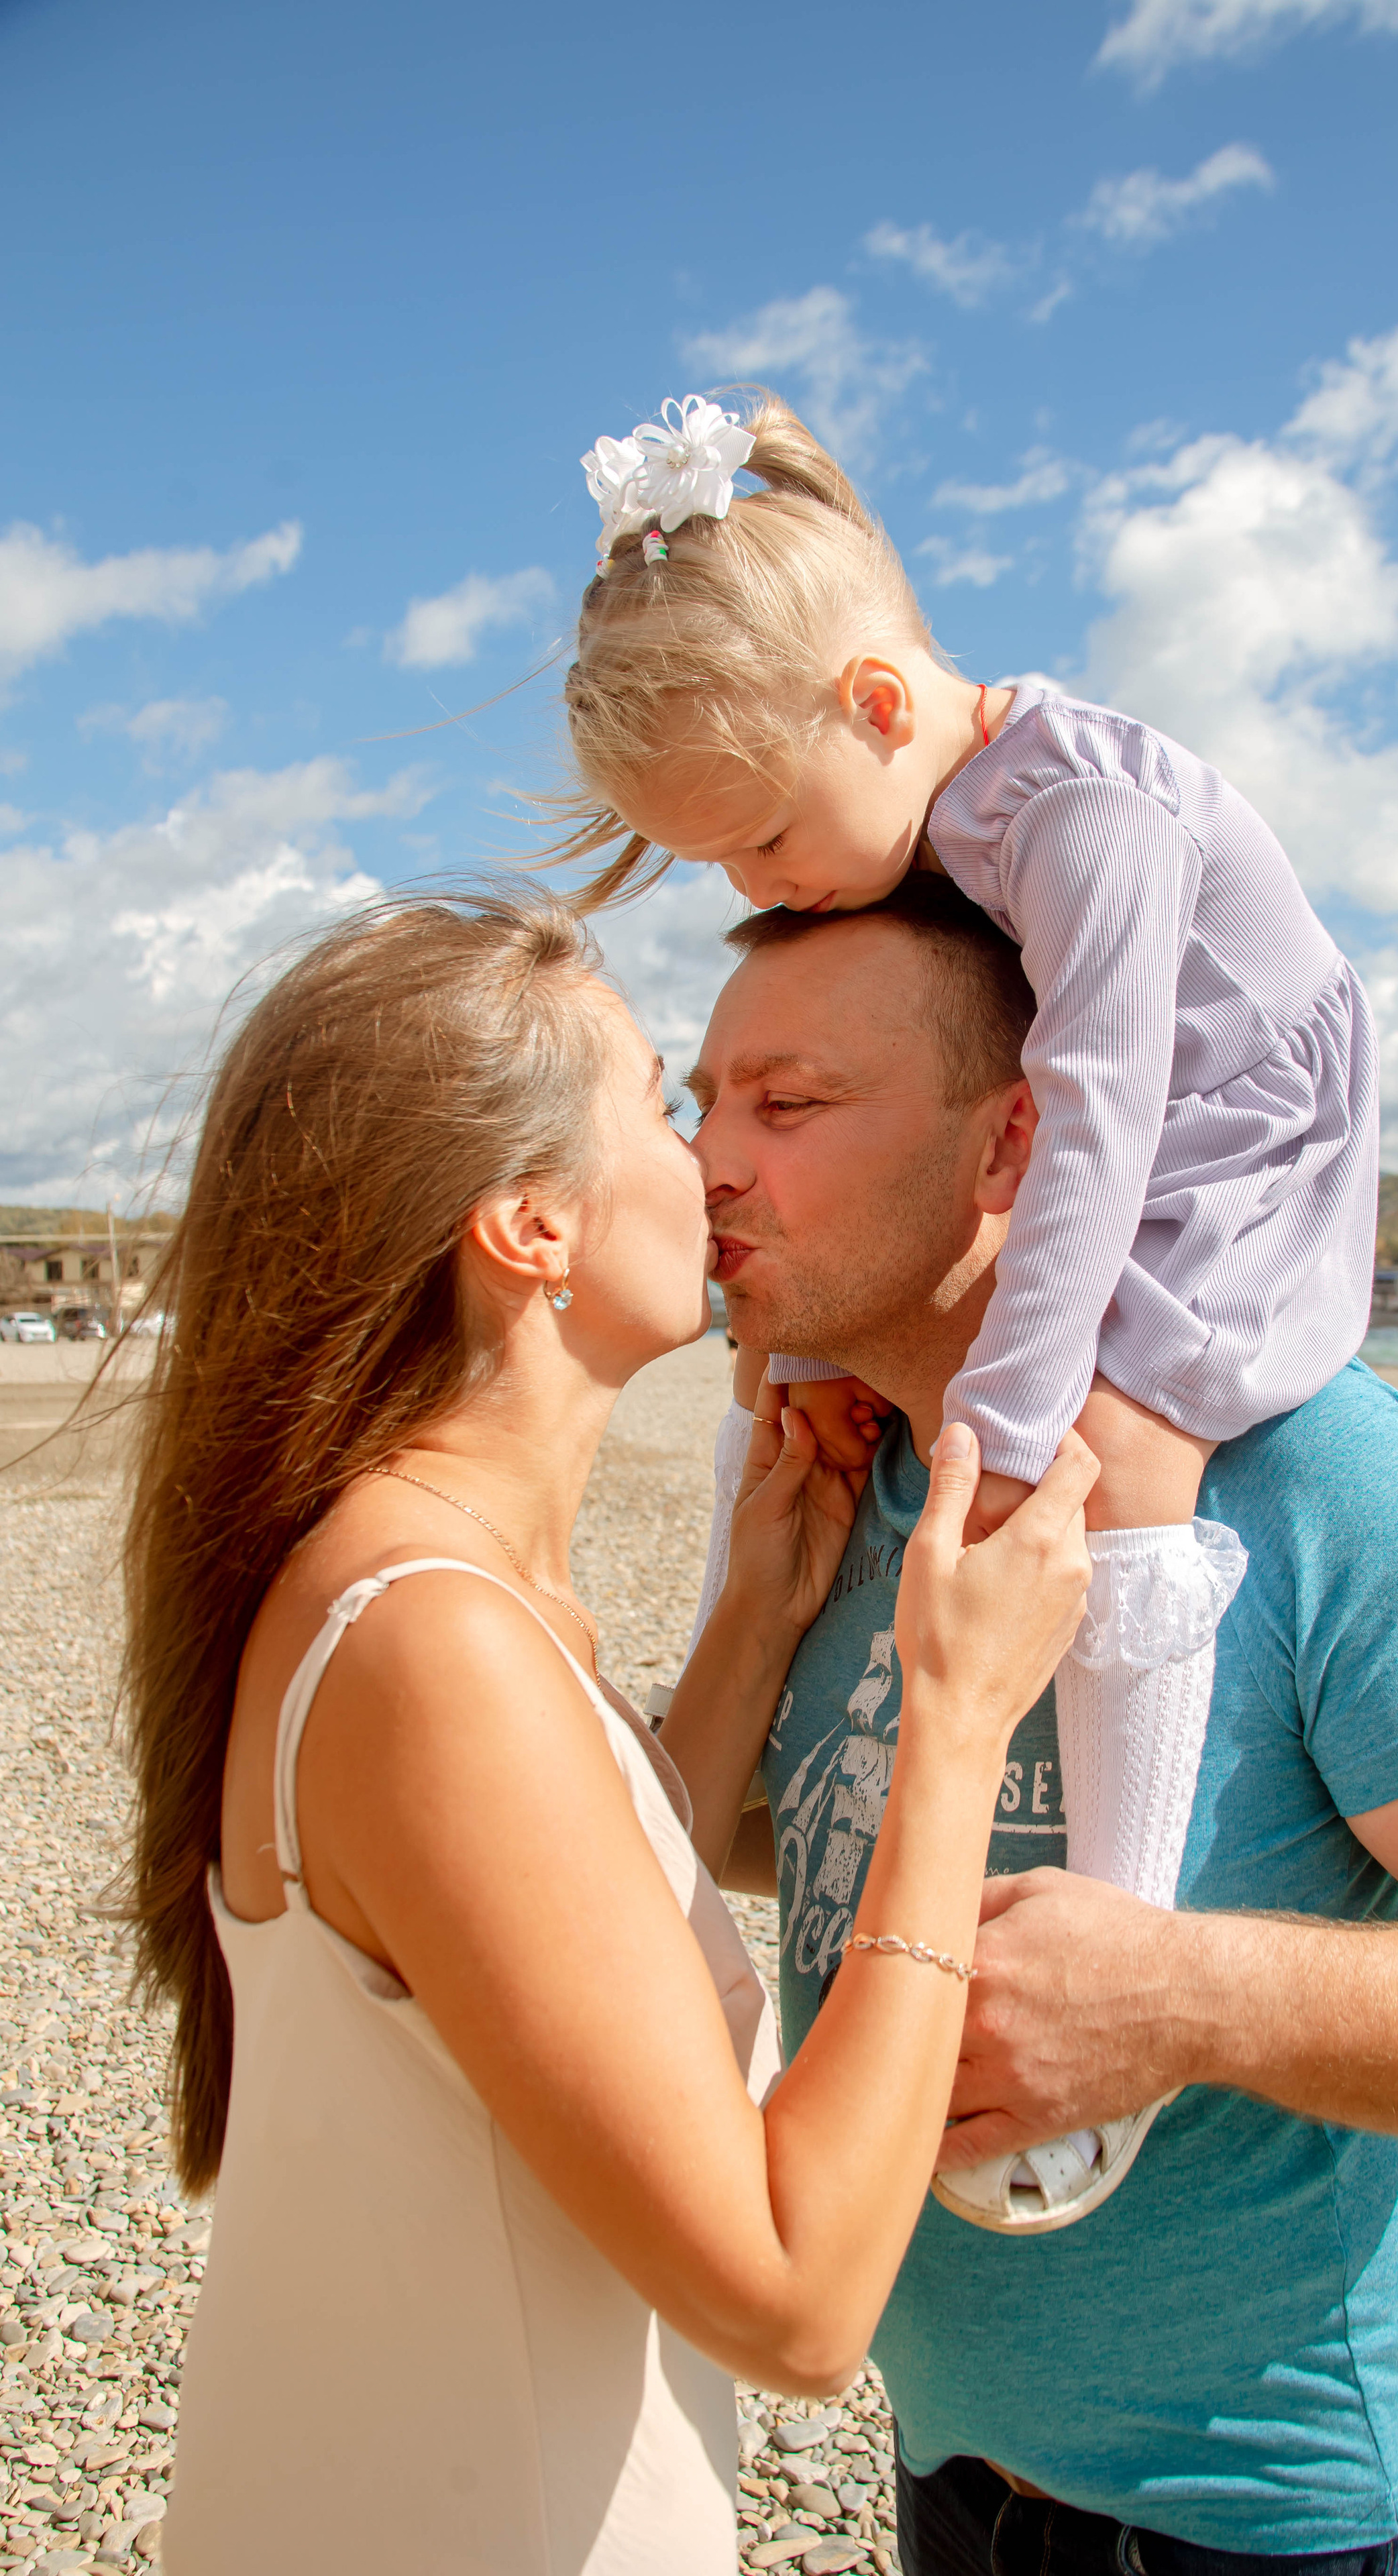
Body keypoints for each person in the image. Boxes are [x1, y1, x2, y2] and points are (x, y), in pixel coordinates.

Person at [682, 879, 1398, 2573]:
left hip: (1272, 2517)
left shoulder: (1300, 1473)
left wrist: (1183, 1998)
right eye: (697, 1101)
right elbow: (802, 1837)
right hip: (951, 2467)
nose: (711, 1161)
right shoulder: (844, 1478)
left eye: (785, 1106)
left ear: (1015, 1151)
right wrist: (755, 1618)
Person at [118, 887, 1096, 2576]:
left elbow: (555, 1942)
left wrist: (757, 1617)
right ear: (528, 1228)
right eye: (661, 1101)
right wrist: (954, 1720)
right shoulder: (434, 1648)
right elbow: (792, 2304)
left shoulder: (398, 1574)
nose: (711, 1160)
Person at [558, 388, 1378, 2225]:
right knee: (810, 1411)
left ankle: (1121, 1946)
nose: (761, 888)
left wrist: (1011, 1400)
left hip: (1235, 1135)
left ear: (874, 703)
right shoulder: (926, 820)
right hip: (1121, 1129)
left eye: (763, 837)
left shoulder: (1074, 812)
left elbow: (1091, 1109)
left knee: (1119, 1439)